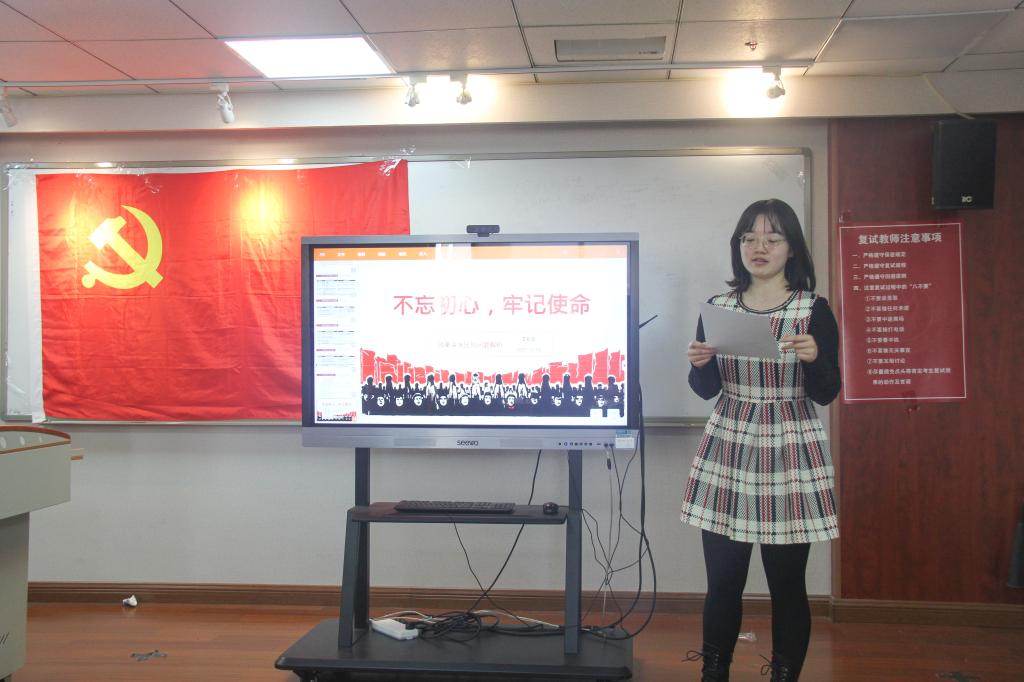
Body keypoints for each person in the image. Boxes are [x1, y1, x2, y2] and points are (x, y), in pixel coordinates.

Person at [681, 199, 840, 682]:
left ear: (792, 248)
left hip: (790, 443)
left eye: (772, 238)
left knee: (787, 583)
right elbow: (706, 390)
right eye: (749, 238)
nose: (759, 247)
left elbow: (827, 392)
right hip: (729, 441)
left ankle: (784, 674)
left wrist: (815, 358)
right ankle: (714, 672)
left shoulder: (813, 309)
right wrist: (699, 366)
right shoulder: (718, 307)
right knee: (723, 581)